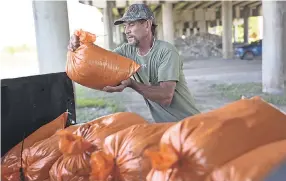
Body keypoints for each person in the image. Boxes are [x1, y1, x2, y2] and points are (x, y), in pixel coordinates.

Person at [68, 3, 200, 122]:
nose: (126, 30)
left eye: (131, 24)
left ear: (147, 25)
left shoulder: (166, 51)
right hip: (164, 128)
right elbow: (101, 63)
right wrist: (79, 46)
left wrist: (132, 84)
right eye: (125, 26)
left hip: (190, 125)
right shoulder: (126, 51)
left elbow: (166, 97)